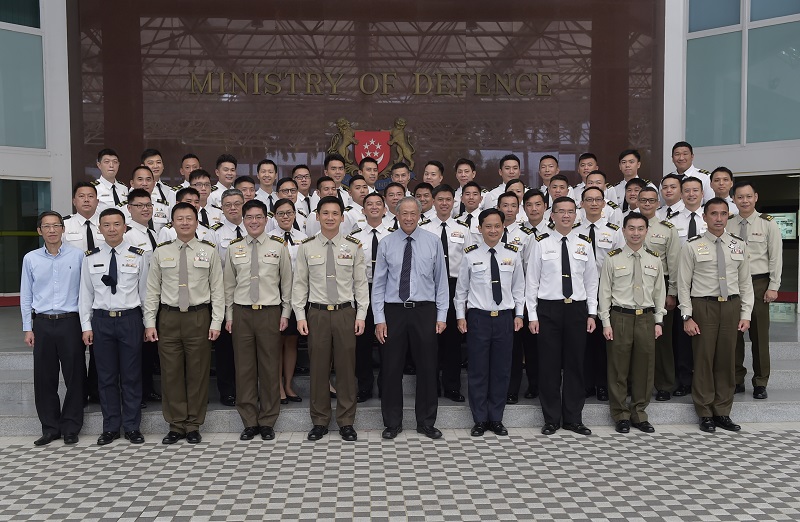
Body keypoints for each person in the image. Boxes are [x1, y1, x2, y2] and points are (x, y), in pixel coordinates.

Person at [144, 202, 224, 445]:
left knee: (197, 372)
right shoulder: (162, 252)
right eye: (180, 218)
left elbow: (217, 289)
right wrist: (149, 322)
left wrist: (217, 321)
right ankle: (176, 424)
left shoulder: (209, 251)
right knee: (171, 373)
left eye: (189, 218)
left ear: (197, 222)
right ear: (172, 223)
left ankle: (193, 424)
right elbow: (152, 290)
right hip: (168, 317)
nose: (185, 222)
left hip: (198, 317)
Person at [292, 196, 369, 442]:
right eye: (325, 213)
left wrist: (361, 314)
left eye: (335, 213)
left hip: (345, 312)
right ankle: (319, 420)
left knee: (346, 369)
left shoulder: (353, 246)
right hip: (317, 313)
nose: (330, 218)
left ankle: (346, 421)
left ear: (342, 217)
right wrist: (300, 315)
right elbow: (300, 284)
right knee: (318, 369)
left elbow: (360, 284)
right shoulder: (306, 247)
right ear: (317, 216)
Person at [373, 196, 449, 440]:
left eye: (412, 213)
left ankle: (426, 422)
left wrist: (442, 315)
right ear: (396, 215)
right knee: (391, 368)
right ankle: (392, 423)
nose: (408, 218)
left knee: (427, 367)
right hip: (394, 311)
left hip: (424, 310)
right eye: (403, 213)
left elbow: (441, 282)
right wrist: (379, 318)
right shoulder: (386, 243)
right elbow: (379, 284)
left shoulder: (433, 242)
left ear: (419, 215)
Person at [679, 198, 753, 433]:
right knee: (703, 359)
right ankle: (704, 412)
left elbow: (746, 283)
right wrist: (687, 316)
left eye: (723, 214)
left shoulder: (738, 245)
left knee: (726, 360)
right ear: (705, 217)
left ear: (728, 216)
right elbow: (683, 284)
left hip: (731, 306)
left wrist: (746, 313)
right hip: (704, 306)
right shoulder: (692, 246)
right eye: (714, 214)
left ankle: (722, 411)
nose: (719, 218)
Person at [527, 196, 597, 436]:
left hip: (576, 309)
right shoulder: (541, 243)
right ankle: (551, 419)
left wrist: (591, 313)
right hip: (549, 310)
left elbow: (591, 281)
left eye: (570, 212)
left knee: (575, 365)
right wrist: (532, 315)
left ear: (576, 215)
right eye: (561, 212)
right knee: (549, 366)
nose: (566, 216)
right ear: (552, 215)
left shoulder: (584, 244)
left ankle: (573, 418)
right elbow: (532, 281)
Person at [223, 199, 293, 441]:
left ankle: (267, 420)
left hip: (269, 312)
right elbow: (228, 286)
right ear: (243, 220)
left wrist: (285, 313)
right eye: (249, 217)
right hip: (242, 312)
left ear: (266, 219)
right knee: (244, 369)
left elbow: (287, 283)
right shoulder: (233, 248)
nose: (254, 221)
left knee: (270, 367)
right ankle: (249, 421)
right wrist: (229, 316)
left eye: (258, 217)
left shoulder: (278, 246)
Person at [79, 208, 149, 445]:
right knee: (106, 377)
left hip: (130, 319)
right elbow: (85, 294)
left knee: (131, 376)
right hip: (101, 321)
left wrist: (148, 324)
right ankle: (110, 427)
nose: (112, 229)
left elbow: (145, 293)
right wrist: (86, 326)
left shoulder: (138, 255)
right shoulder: (90, 257)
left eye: (116, 224)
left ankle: (132, 427)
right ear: (99, 229)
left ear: (124, 227)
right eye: (106, 225)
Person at [455, 208, 524, 437]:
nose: (493, 230)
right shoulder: (470, 255)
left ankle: (496, 418)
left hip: (504, 318)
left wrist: (519, 315)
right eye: (488, 226)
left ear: (503, 228)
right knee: (478, 370)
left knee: (501, 370)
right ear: (480, 228)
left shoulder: (513, 254)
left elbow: (519, 288)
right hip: (478, 319)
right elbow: (461, 290)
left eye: (497, 226)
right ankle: (479, 419)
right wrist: (460, 316)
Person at [20, 211, 85, 446]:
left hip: (71, 322)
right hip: (43, 323)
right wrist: (28, 327)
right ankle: (50, 428)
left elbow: (86, 292)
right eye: (46, 226)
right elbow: (26, 295)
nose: (52, 230)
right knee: (44, 378)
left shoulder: (78, 256)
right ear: (40, 231)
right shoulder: (31, 259)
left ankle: (71, 427)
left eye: (56, 225)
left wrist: (86, 325)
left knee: (75, 376)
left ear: (63, 229)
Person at [599, 212, 666, 434]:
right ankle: (620, 414)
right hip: (620, 316)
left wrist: (659, 321)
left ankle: (639, 413)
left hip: (646, 317)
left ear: (646, 231)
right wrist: (606, 322)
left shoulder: (654, 258)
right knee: (618, 368)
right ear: (624, 230)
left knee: (644, 368)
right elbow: (604, 292)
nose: (636, 233)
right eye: (631, 228)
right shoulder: (613, 258)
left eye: (640, 228)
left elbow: (659, 292)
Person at [728, 180, 782, 400]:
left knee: (759, 336)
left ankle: (760, 381)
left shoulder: (767, 224)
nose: (745, 201)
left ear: (756, 197)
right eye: (740, 197)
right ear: (733, 199)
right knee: (734, 334)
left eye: (748, 196)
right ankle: (736, 379)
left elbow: (776, 257)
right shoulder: (728, 224)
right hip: (734, 284)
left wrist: (773, 286)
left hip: (759, 283)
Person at [422, 184, 472, 403]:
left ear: (454, 202)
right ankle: (431, 386)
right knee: (429, 339)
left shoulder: (463, 229)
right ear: (433, 201)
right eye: (440, 199)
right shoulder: (424, 228)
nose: (444, 203)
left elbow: (469, 261)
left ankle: (452, 386)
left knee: (452, 339)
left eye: (448, 199)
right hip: (429, 286)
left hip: (455, 286)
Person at [574, 186, 624, 402]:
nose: (593, 204)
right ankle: (586, 384)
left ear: (604, 204)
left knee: (604, 340)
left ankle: (603, 384)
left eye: (597, 200)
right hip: (580, 289)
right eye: (589, 200)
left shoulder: (614, 231)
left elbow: (621, 260)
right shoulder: (574, 230)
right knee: (583, 339)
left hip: (607, 288)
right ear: (582, 204)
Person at [636, 187, 681, 402]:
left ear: (657, 203)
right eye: (643, 200)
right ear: (637, 202)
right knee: (635, 338)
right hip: (632, 286)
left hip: (659, 285)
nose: (647, 204)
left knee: (662, 338)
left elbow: (673, 263)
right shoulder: (627, 226)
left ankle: (664, 384)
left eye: (651, 200)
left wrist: (672, 292)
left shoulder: (667, 229)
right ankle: (635, 383)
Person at [63, 182, 105, 404]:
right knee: (75, 350)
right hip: (72, 294)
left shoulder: (107, 224)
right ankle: (79, 393)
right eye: (81, 196)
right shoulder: (64, 225)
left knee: (100, 348)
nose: (86, 200)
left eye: (91, 196)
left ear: (97, 200)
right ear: (74, 201)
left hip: (100, 293)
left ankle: (97, 390)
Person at [123, 188, 162, 408]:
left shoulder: (153, 233)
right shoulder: (128, 235)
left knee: (148, 349)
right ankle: (137, 393)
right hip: (137, 300)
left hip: (154, 299)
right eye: (139, 205)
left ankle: (147, 389)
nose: (145, 209)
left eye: (148, 205)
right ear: (129, 208)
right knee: (136, 352)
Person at [668, 176, 706, 397]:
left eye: (695, 190)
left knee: (704, 334)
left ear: (702, 193)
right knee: (682, 336)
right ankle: (683, 379)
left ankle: (702, 378)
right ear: (681, 195)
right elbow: (672, 259)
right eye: (687, 191)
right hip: (682, 283)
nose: (691, 194)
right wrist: (672, 290)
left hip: (706, 285)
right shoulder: (672, 222)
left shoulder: (711, 217)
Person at [508, 189, 546, 404]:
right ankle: (512, 389)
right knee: (514, 346)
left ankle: (536, 385)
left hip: (541, 298)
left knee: (535, 346)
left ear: (545, 207)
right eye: (529, 205)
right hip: (516, 297)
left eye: (538, 204)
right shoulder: (517, 233)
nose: (534, 209)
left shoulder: (553, 232)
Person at [351, 192, 390, 402]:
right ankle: (364, 386)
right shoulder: (354, 237)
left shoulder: (394, 235)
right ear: (363, 210)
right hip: (363, 291)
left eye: (378, 204)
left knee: (387, 341)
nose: (374, 207)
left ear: (385, 209)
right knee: (362, 342)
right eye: (369, 204)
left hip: (388, 292)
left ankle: (386, 385)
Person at [213, 188, 248, 407]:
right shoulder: (214, 234)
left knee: (247, 348)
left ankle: (247, 390)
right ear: (222, 208)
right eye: (228, 205)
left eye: (237, 203)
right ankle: (227, 390)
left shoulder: (254, 227)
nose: (233, 208)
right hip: (225, 296)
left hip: (250, 296)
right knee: (225, 349)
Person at [271, 198, 308, 403]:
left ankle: (288, 384)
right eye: (281, 213)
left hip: (298, 295)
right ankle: (277, 385)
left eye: (289, 213)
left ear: (295, 214)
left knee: (292, 340)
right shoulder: (268, 238)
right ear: (274, 216)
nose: (285, 217)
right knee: (277, 342)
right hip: (276, 295)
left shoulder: (304, 238)